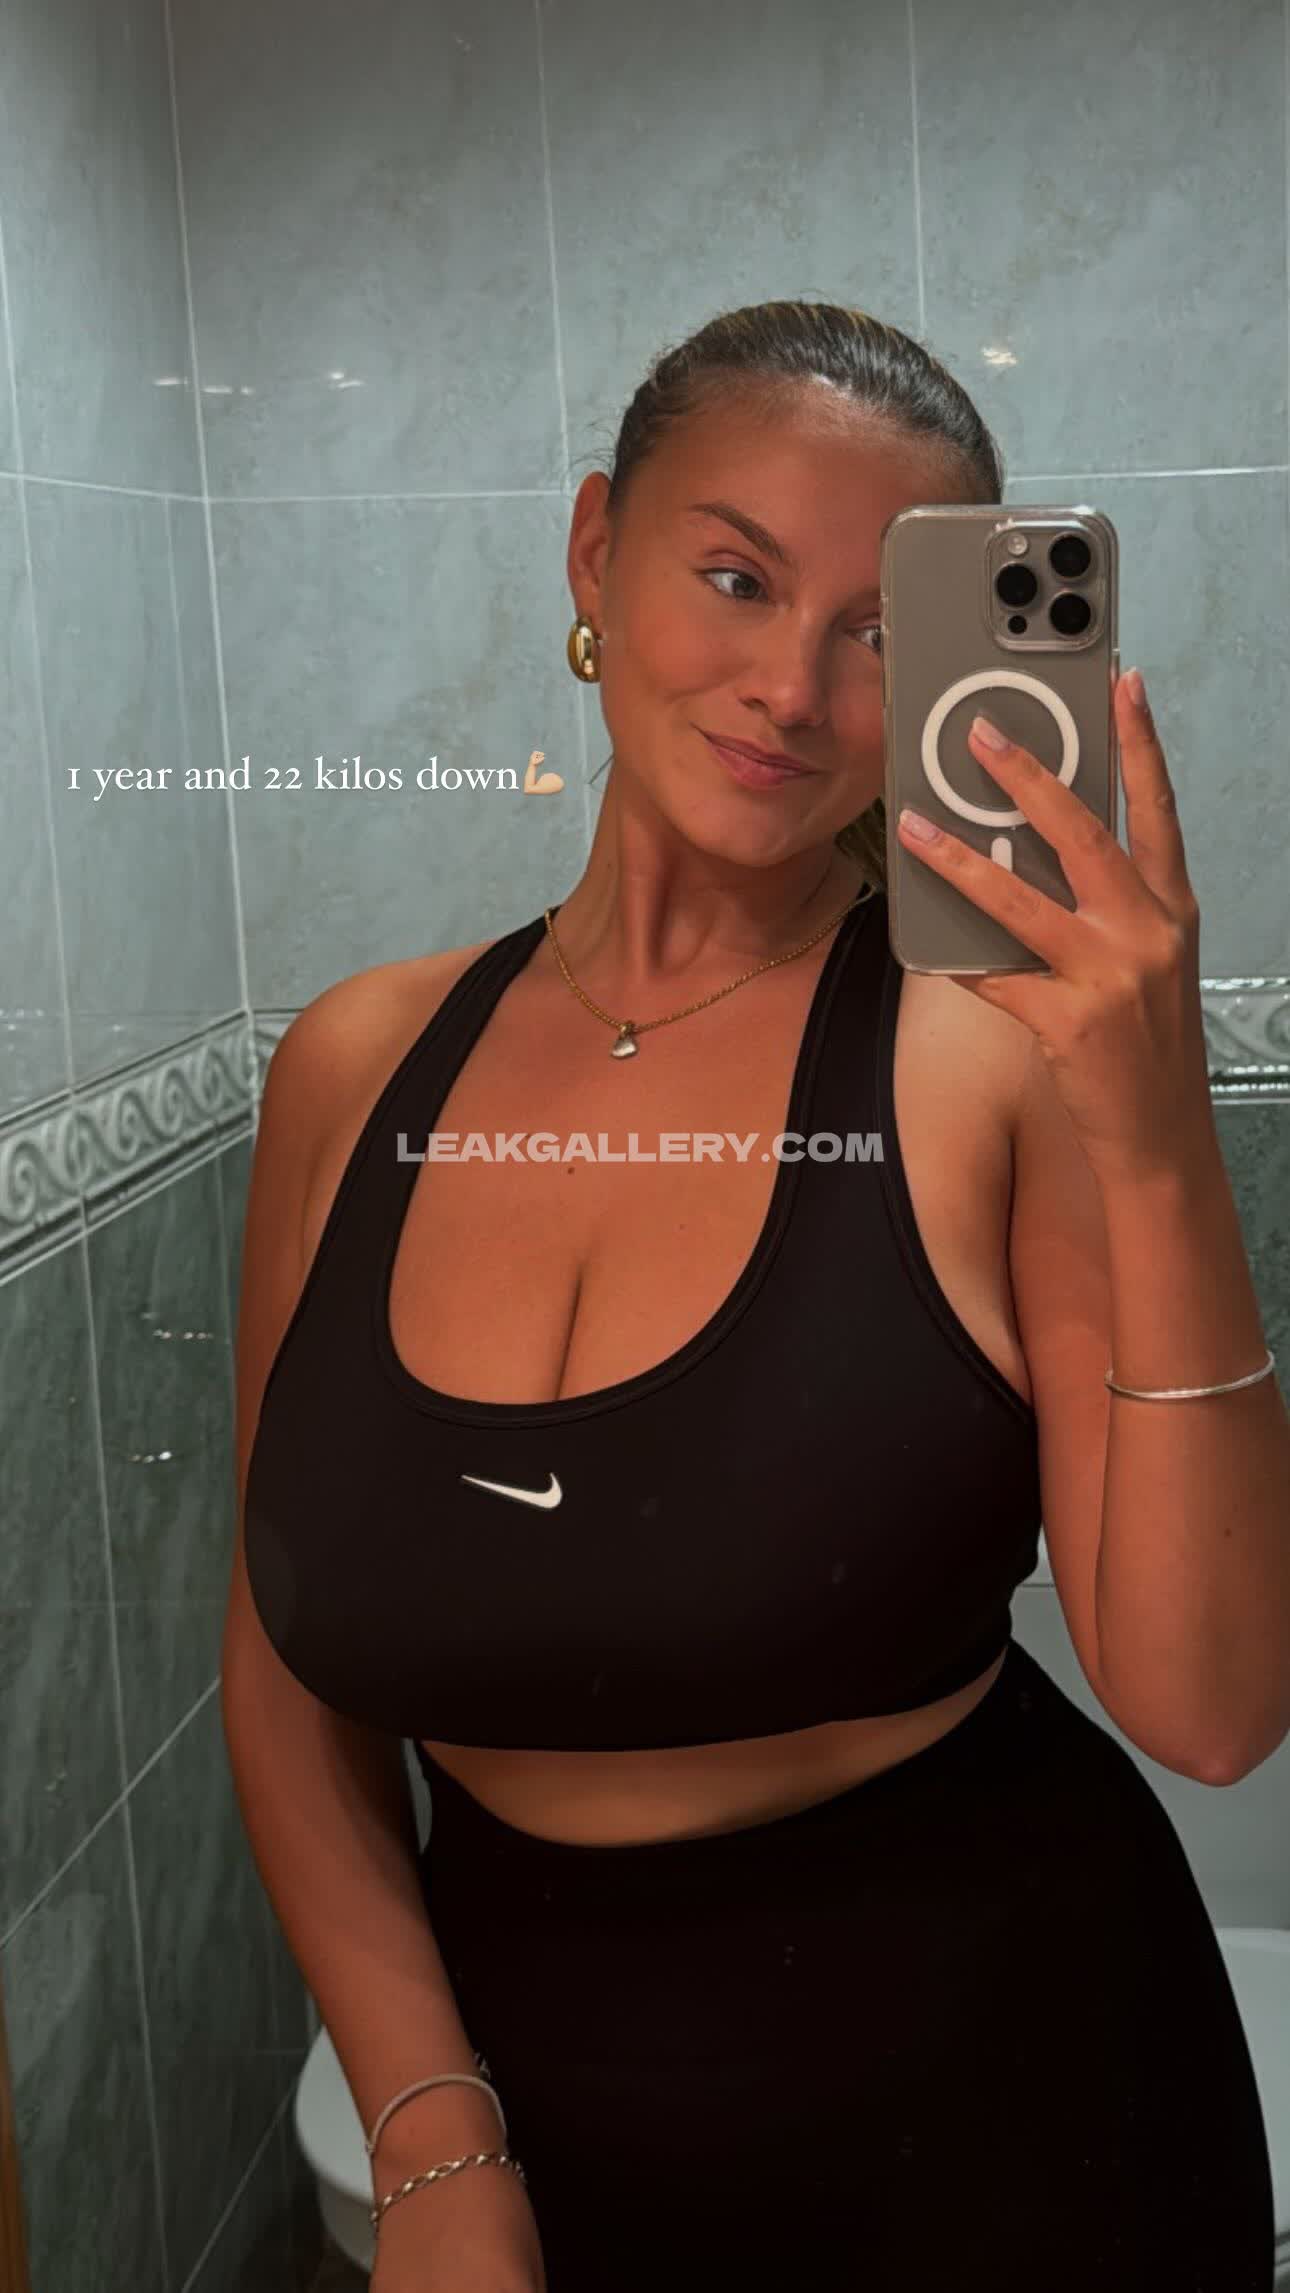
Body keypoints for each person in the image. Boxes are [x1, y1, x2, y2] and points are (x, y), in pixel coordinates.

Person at [222, 300, 1285, 2292]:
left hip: (1025, 2115)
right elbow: (286, 1685)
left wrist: (1154, 1132)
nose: (794, 685)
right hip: (531, 2116)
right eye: (736, 576)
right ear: (592, 553)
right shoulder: (353, 1071)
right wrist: (433, 2138)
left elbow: (1213, 1709)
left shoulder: (987, 1056)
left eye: (879, 630)